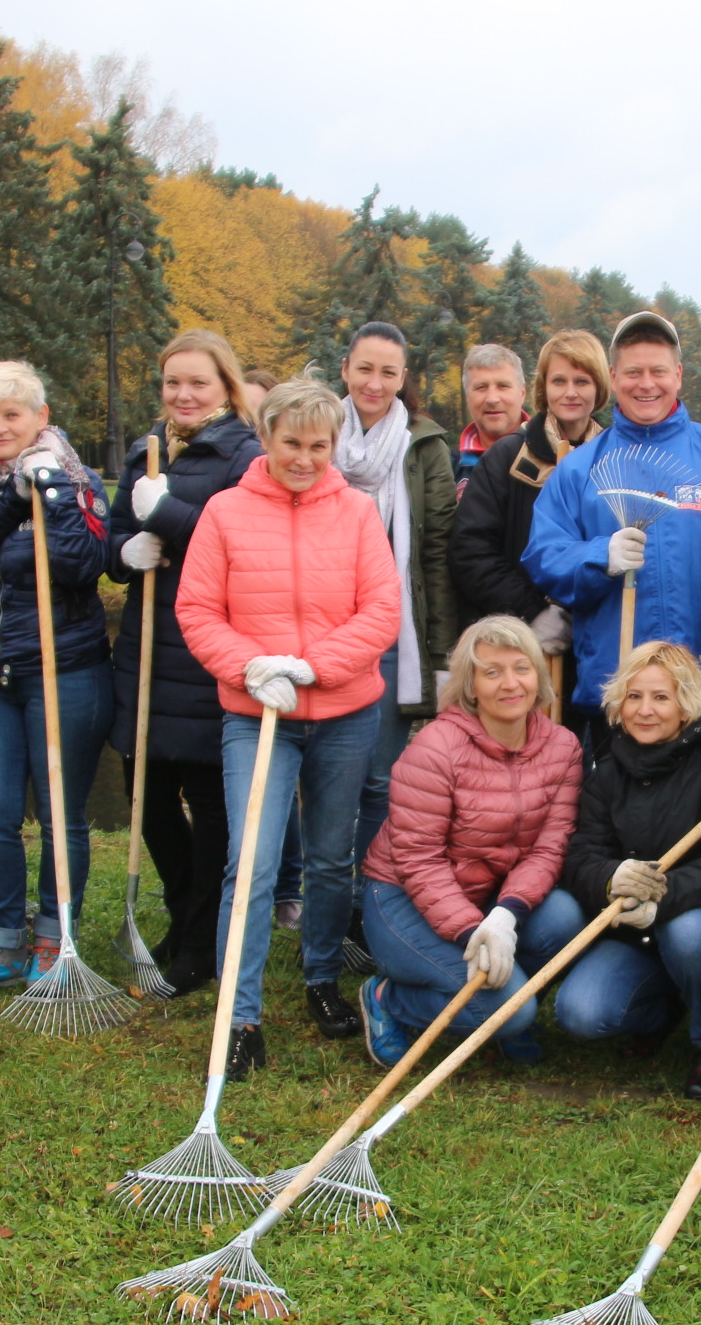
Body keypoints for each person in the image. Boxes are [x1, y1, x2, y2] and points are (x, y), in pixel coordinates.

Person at [174, 378, 403, 1075]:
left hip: (344, 711)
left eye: (319, 445)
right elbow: (197, 611)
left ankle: (320, 978)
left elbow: (380, 611)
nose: (305, 457)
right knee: (251, 862)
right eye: (291, 443)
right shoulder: (224, 512)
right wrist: (252, 668)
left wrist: (309, 666)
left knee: (334, 858)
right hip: (257, 716)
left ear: (333, 446)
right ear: (266, 438)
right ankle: (239, 1017)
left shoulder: (358, 512)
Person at [0, 362, 114, 987]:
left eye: (13, 414)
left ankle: (54, 944)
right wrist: (11, 500)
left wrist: (52, 493)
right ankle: (0, 945)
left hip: (66, 671)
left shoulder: (78, 480)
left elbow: (83, 563)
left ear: (41, 417)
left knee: (63, 814)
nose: (0, 428)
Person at [527, 640, 701, 1099]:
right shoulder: (608, 771)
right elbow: (581, 854)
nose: (645, 710)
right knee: (582, 1014)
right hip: (633, 936)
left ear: (687, 704)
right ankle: (663, 1010)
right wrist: (611, 877)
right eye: (634, 696)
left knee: (688, 933)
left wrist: (663, 897)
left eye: (661, 697)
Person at [353, 614, 585, 1066]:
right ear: (470, 685)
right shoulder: (435, 748)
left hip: (490, 897)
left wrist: (506, 913)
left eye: (521, 668)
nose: (510, 683)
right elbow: (419, 859)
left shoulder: (563, 747)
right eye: (492, 672)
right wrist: (469, 929)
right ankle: (387, 997)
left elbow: (549, 848)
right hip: (404, 898)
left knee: (565, 916)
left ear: (538, 676)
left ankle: (499, 1000)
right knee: (509, 1009)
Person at [107, 329, 263, 996]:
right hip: (144, 647)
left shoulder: (245, 456)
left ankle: (201, 941)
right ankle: (180, 914)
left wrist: (168, 513)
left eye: (198, 382)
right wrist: (123, 553)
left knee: (208, 807)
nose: (184, 395)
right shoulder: (148, 449)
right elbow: (115, 532)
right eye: (173, 383)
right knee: (147, 799)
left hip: (205, 654)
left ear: (225, 387)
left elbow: (245, 546)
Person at [522, 310, 701, 753]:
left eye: (658, 371)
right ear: (613, 376)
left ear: (679, 376)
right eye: (633, 372)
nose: (646, 384)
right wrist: (598, 557)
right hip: (620, 693)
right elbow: (544, 555)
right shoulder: (580, 468)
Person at [339, 322, 457, 985]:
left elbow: (435, 558)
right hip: (327, 632)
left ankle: (366, 905)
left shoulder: (423, 447)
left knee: (382, 780)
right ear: (347, 369)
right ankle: (323, 906)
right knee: (329, 782)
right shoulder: (320, 437)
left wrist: (440, 655)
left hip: (394, 635)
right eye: (364, 369)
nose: (375, 384)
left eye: (388, 372)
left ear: (403, 375)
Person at [449, 329, 609, 644]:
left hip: (595, 638)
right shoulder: (508, 456)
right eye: (559, 381)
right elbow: (470, 551)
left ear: (600, 387)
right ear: (543, 387)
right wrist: (531, 612)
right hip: (517, 641)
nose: (570, 393)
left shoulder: (614, 459)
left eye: (582, 381)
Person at [454, 343, 528, 488]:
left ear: (522, 394)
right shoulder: (449, 467)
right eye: (481, 387)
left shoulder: (553, 456)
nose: (492, 399)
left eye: (503, 386)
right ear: (467, 397)